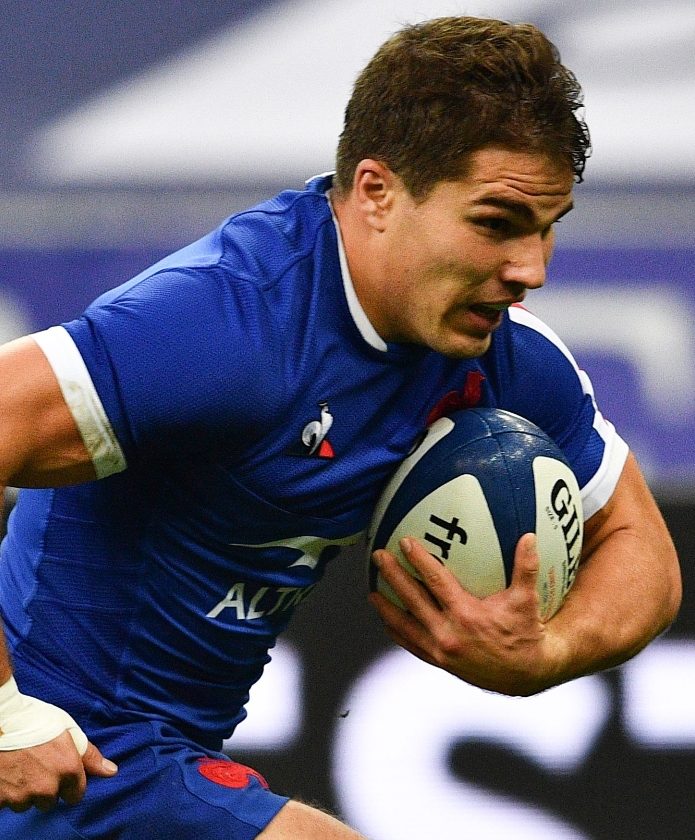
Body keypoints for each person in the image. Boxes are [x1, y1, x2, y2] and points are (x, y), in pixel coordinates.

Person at [0, 14, 681, 840]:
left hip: (157, 759)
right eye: (495, 222)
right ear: (376, 192)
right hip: (64, 759)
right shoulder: (227, 322)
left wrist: (549, 651)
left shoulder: (504, 358)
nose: (529, 269)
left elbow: (640, 549)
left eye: (546, 227)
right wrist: (6, 717)